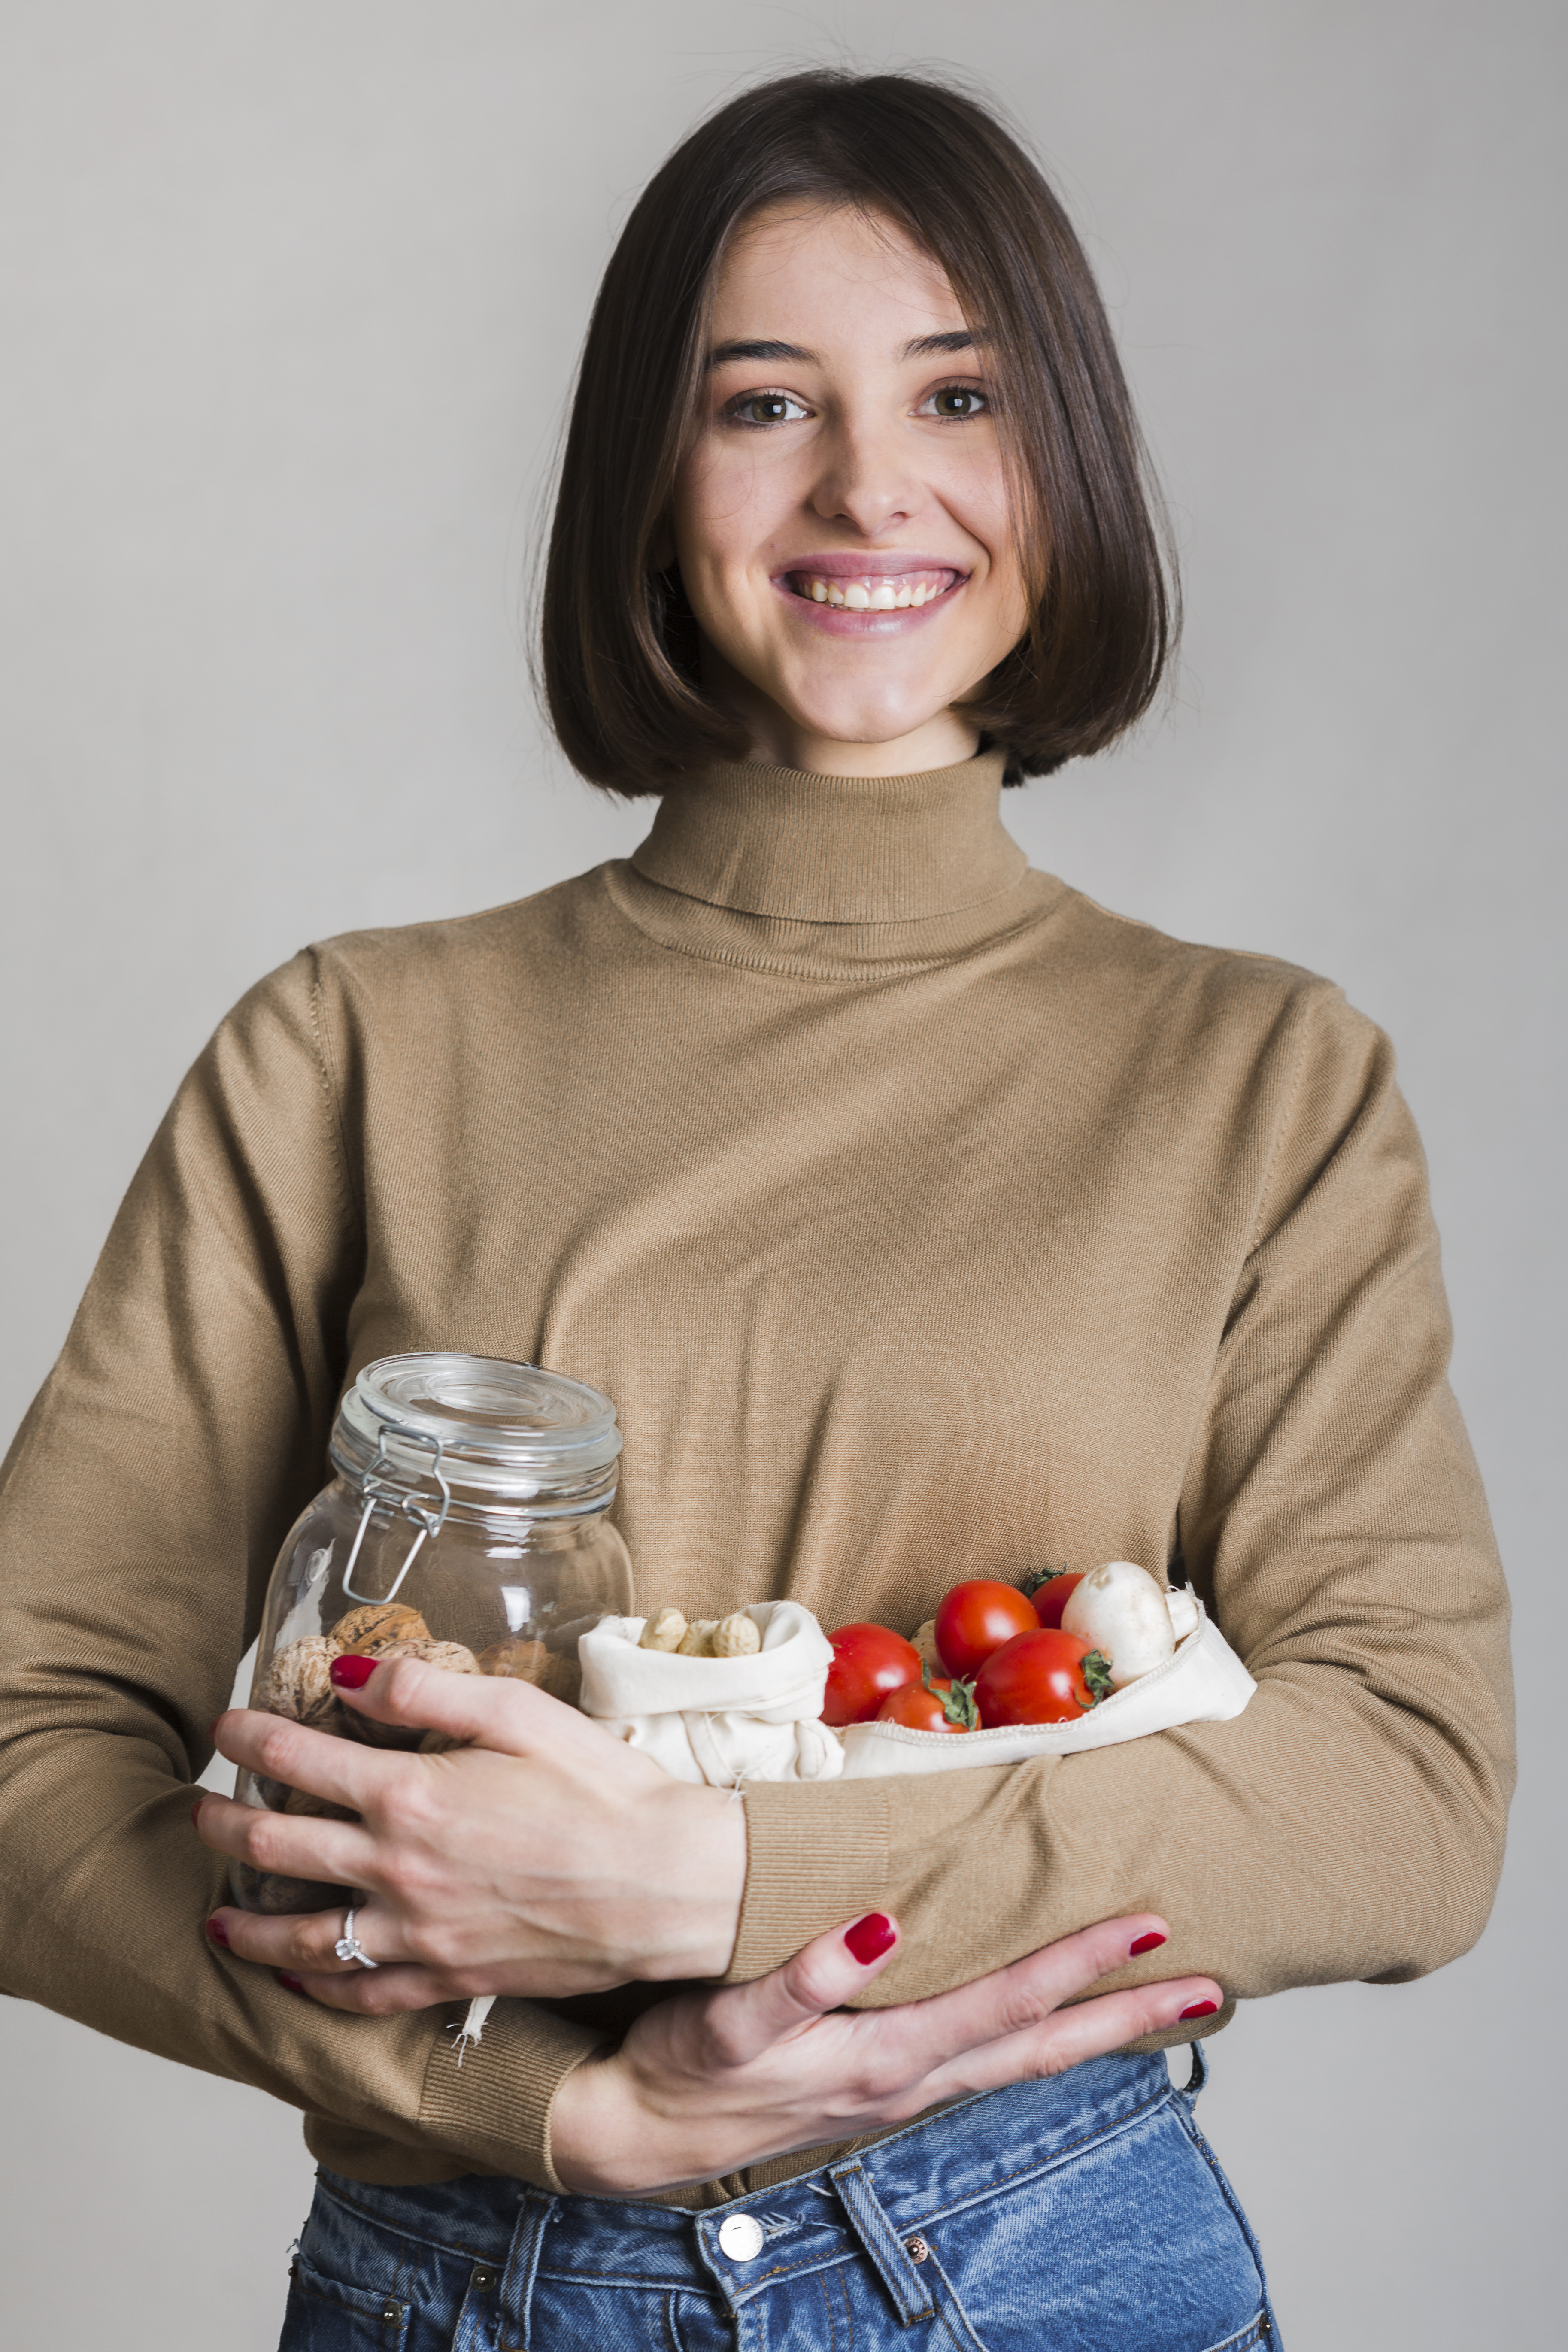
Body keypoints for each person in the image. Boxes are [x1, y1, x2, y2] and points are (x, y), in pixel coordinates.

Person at [0, 69, 1512, 2351]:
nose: (866, 486)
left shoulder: (1259, 1078)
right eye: (761, 404)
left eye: (956, 392)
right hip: (466, 2264)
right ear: (651, 469)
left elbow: (1405, 1792)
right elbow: (24, 1734)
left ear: (1058, 451)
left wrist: (702, 1877)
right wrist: (519, 2100)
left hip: (1038, 2254)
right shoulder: (356, 1047)